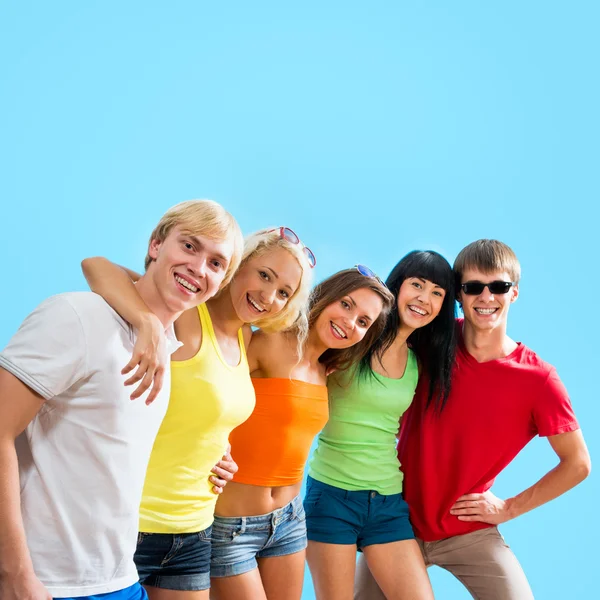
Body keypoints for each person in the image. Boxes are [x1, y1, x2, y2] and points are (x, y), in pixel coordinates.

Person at [0, 199, 242, 600]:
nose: (199, 268)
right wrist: (17, 576)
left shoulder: (164, 348)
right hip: (47, 582)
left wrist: (215, 451)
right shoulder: (77, 316)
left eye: (216, 263)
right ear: (155, 245)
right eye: (189, 246)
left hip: (117, 577)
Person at [81, 226, 315, 600]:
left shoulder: (246, 338)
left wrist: (221, 452)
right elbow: (96, 266)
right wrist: (147, 324)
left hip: (194, 530)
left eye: (283, 292)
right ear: (237, 266)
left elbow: (209, 412)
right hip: (133, 525)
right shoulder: (185, 314)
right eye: (264, 275)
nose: (269, 296)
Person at [355, 239, 591, 600]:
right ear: (459, 295)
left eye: (498, 286)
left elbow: (577, 464)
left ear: (514, 294)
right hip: (394, 519)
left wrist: (508, 508)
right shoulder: (430, 341)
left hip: (468, 530)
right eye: (472, 287)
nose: (486, 297)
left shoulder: (539, 380)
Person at [209, 266, 394, 600]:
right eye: (347, 305)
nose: (350, 323)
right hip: (231, 525)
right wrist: (212, 445)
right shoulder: (267, 340)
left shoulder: (328, 369)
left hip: (289, 522)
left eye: (364, 321)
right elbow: (209, 389)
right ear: (324, 297)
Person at [304, 251, 457, 600]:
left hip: (387, 502)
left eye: (437, 292)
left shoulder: (421, 364)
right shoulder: (352, 338)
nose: (424, 298)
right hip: (331, 497)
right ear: (397, 286)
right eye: (416, 284)